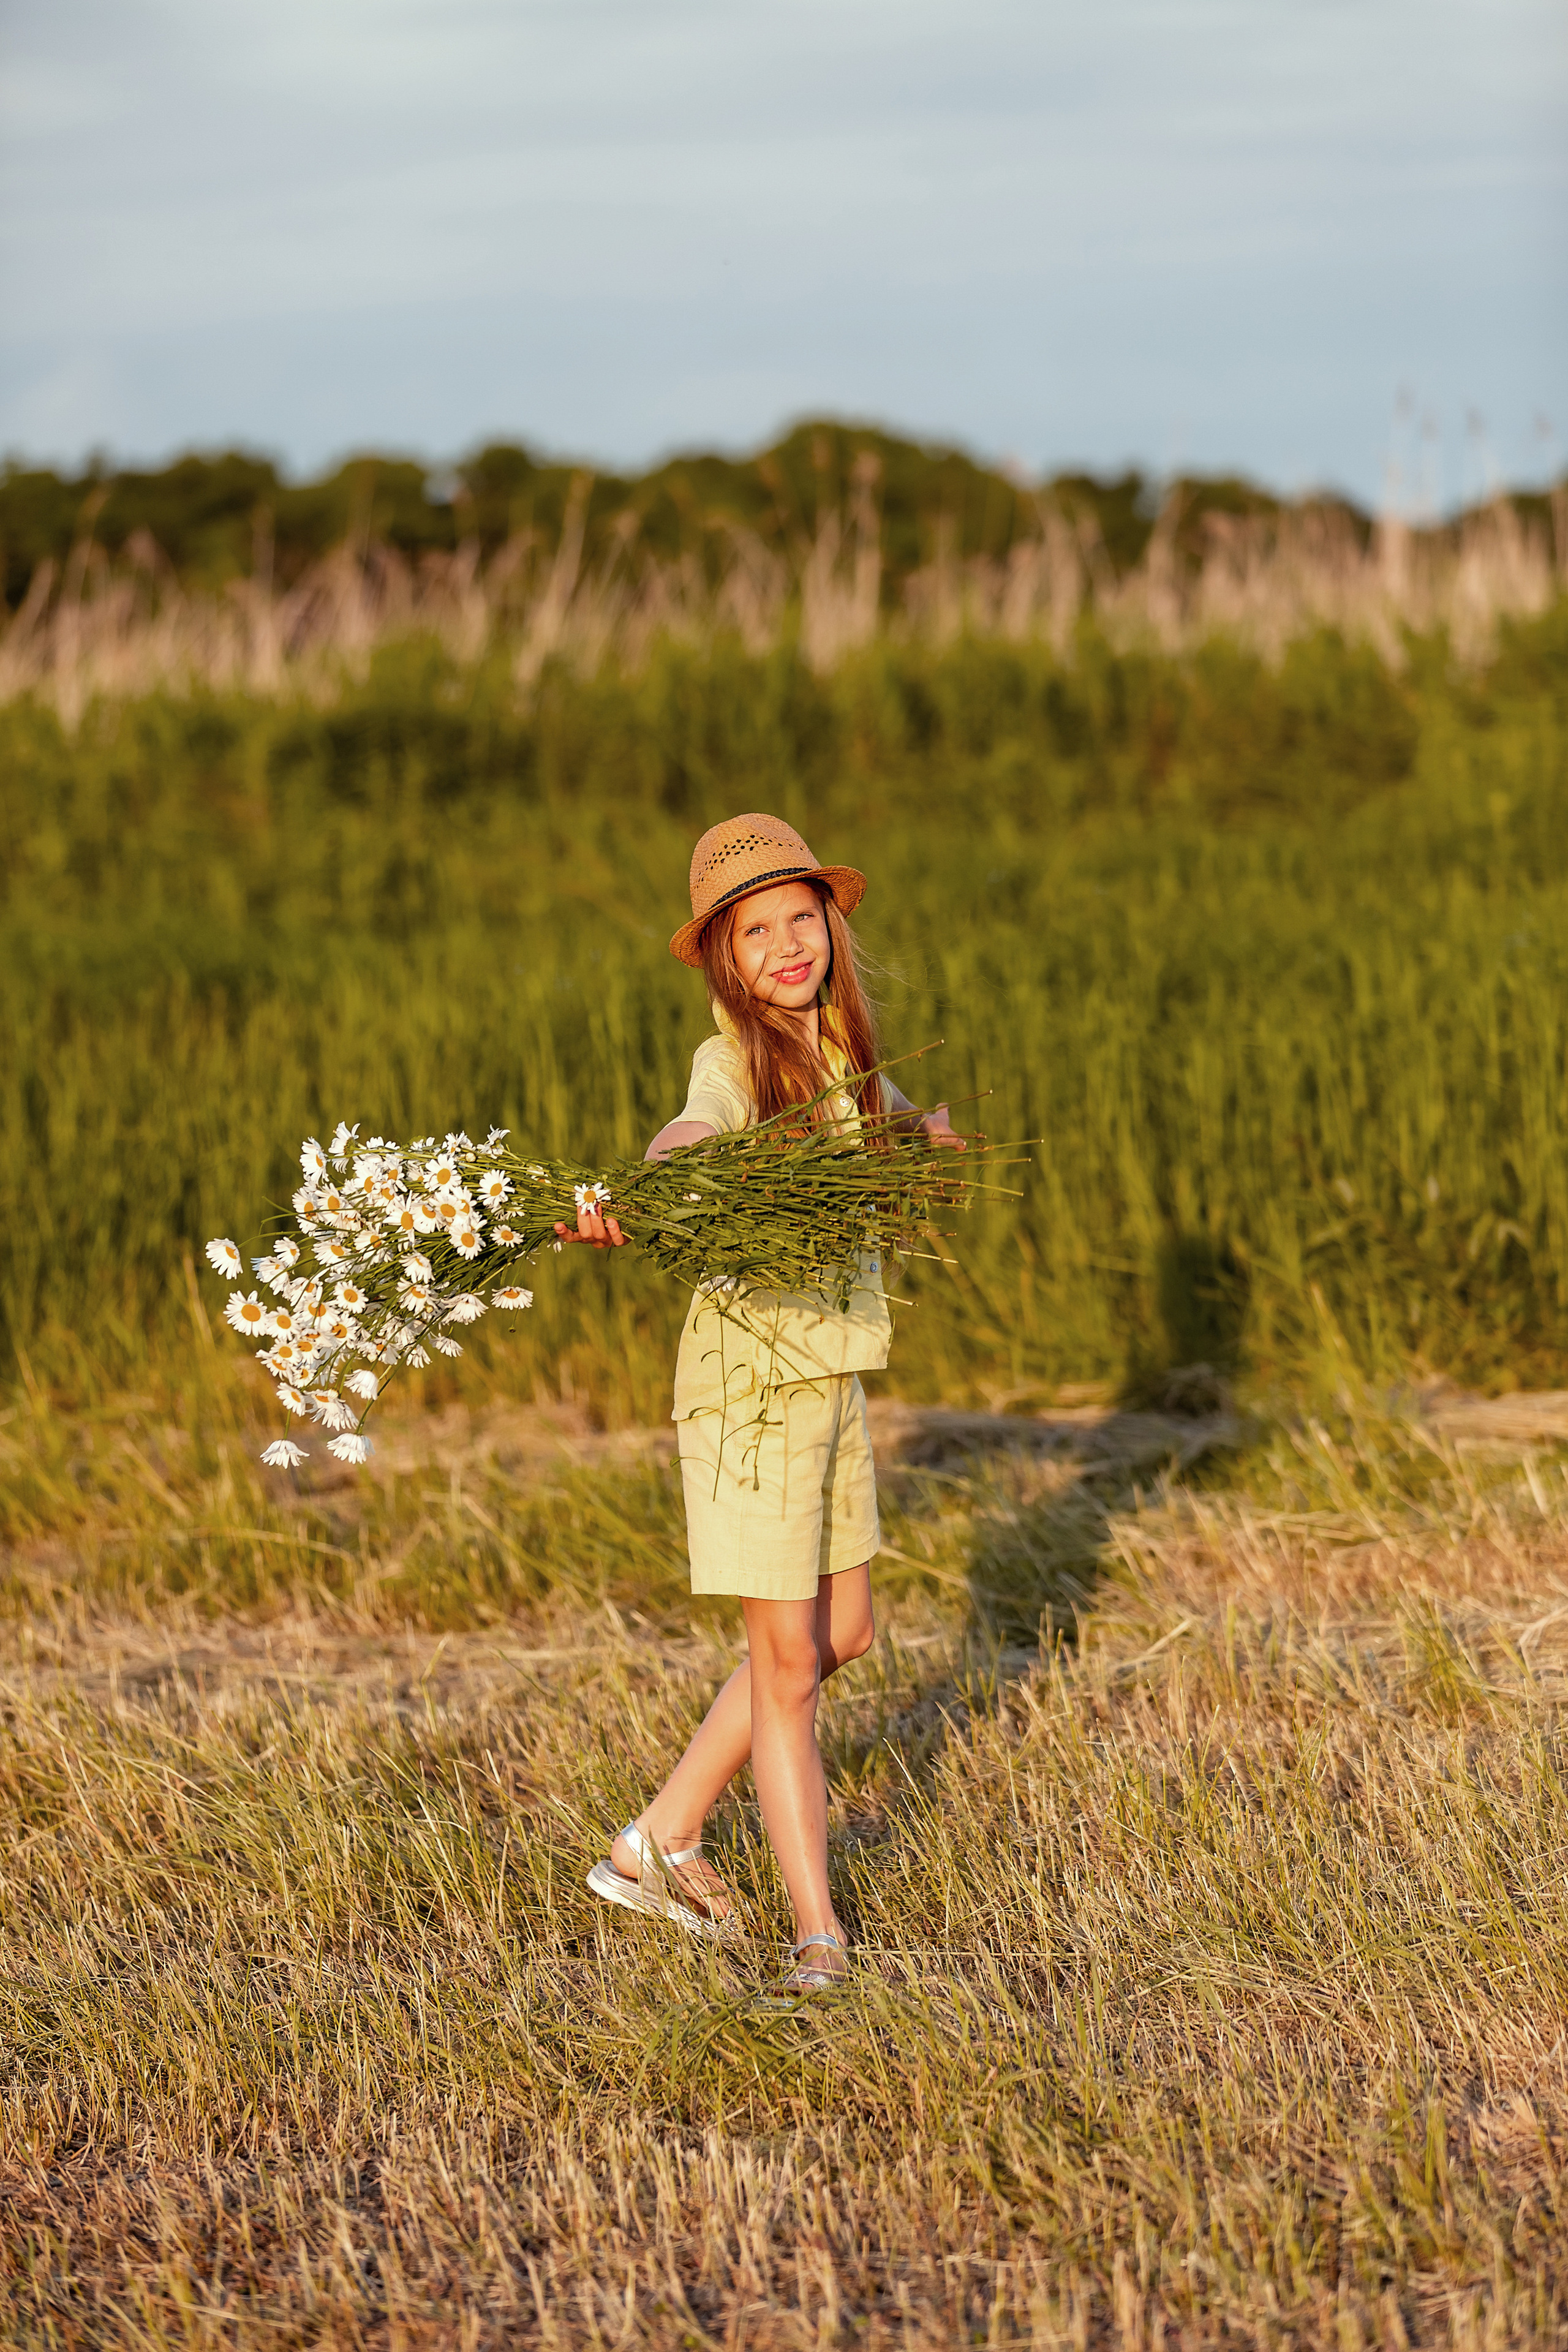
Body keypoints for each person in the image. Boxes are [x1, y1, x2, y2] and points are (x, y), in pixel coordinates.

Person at [560, 813, 963, 1997]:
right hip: (751, 1392)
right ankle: (818, 1938)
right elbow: (692, 1129)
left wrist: (925, 1137)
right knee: (785, 1665)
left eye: (804, 918)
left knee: (844, 1636)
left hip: (828, 1380)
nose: (788, 944)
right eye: (758, 931)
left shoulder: (842, 1049)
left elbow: (883, 1135)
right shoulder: (735, 1063)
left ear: (832, 928)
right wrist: (662, 1176)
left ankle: (659, 1839)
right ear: (727, 961)